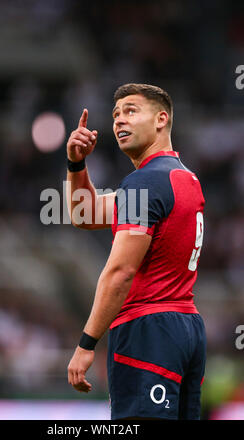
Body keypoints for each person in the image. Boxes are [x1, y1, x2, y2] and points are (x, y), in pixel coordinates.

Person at [66, 83, 206, 420]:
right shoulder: (183, 178)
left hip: (147, 330)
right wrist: (76, 165)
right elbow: (84, 214)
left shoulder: (143, 183)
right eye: (115, 114)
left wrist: (87, 344)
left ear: (161, 119)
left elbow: (120, 272)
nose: (119, 121)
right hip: (187, 328)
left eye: (131, 110)